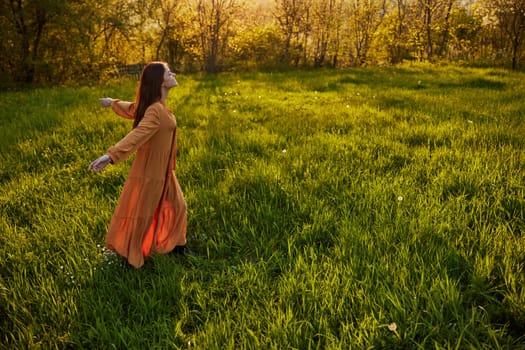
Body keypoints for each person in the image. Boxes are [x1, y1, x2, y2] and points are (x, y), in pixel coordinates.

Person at [88, 61, 189, 268]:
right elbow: (138, 134)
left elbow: (134, 108)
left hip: (164, 170)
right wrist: (111, 155)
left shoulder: (155, 106)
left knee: (177, 207)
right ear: (160, 81)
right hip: (152, 171)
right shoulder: (155, 111)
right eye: (169, 72)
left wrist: (112, 102)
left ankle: (174, 245)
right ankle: (133, 251)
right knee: (145, 212)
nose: (173, 74)